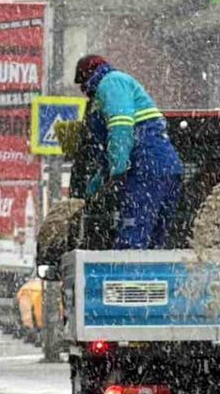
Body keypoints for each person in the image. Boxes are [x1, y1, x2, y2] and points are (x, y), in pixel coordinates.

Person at [74, 55, 184, 250]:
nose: (83, 91)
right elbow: (114, 146)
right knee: (156, 241)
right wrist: (98, 182)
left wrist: (118, 167)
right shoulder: (115, 86)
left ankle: (127, 269)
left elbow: (120, 127)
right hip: (163, 167)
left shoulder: (111, 83)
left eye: (82, 84)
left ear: (88, 75)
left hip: (147, 167)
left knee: (133, 235)